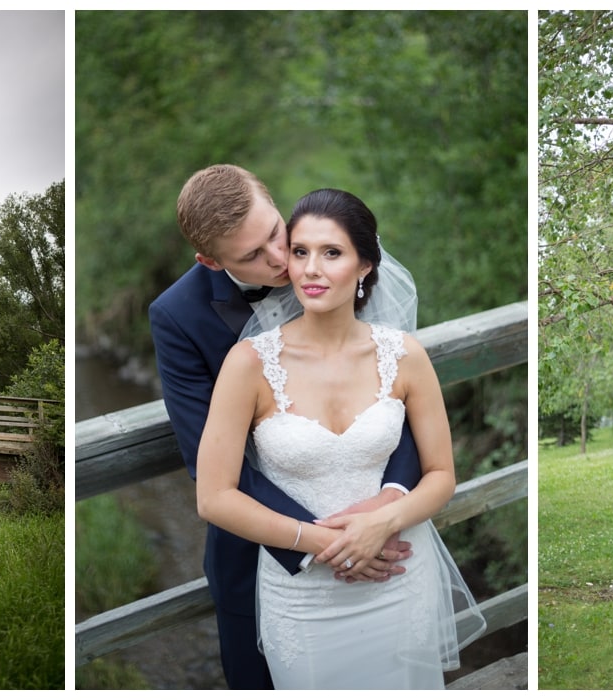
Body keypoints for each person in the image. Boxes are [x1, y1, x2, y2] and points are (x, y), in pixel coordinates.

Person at [149, 166, 425, 689]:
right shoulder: (177, 317)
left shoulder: (324, 252)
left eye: (275, 232)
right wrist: (320, 542)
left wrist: (389, 501)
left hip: (382, 542)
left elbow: (397, 401)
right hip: (260, 555)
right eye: (251, 256)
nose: (282, 261)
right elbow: (205, 460)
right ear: (210, 260)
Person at [195, 187, 483, 689]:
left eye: (332, 253)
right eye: (301, 251)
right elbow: (214, 497)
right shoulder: (249, 365)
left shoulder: (405, 355)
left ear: (365, 264)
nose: (310, 269)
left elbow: (440, 475)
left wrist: (384, 522)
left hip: (397, 574)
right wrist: (326, 543)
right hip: (305, 595)